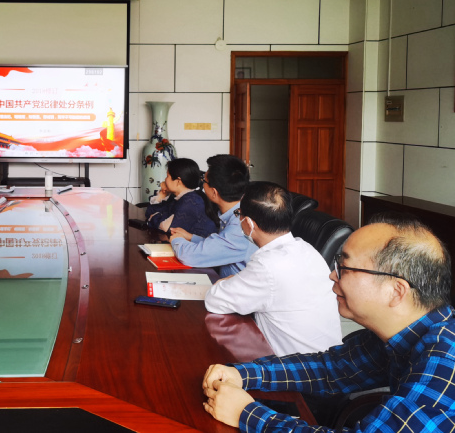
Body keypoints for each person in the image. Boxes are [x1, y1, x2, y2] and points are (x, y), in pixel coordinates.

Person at [202, 213, 455, 432]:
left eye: (344, 266)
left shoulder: (445, 362)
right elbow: (332, 369)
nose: (333, 275)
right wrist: (244, 373)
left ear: (396, 291)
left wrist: (246, 413)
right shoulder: (400, 333)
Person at [205, 181, 342, 356]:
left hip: (298, 367)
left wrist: (228, 281)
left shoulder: (267, 265)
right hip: (327, 359)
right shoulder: (306, 248)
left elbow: (214, 300)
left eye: (239, 214)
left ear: (248, 223)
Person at [169, 154, 257, 277]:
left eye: (204, 181)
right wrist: (191, 237)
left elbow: (189, 256)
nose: (202, 185)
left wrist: (176, 239)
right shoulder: (238, 213)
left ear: (214, 192)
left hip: (235, 288)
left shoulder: (240, 227)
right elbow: (220, 245)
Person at [145, 158, 217, 237]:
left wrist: (153, 217)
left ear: (178, 181)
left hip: (200, 244)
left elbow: (167, 228)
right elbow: (149, 212)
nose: (165, 180)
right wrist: (161, 195)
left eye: (167, 176)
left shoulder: (191, 201)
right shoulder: (178, 197)